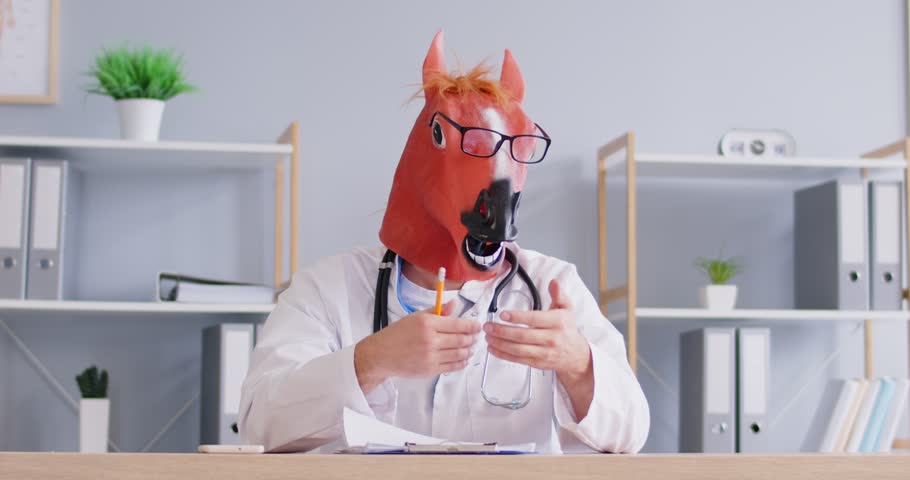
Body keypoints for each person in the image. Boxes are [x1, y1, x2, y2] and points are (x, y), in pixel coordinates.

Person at [239, 32, 649, 454]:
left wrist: (578, 363)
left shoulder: (552, 287)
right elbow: (258, 426)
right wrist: (370, 360)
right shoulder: (328, 289)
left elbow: (631, 434)